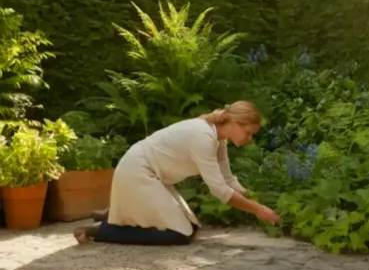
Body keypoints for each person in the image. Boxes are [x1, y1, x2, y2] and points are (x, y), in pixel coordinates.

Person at [73, 101, 280, 245]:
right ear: (235, 123)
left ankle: (114, 212)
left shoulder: (218, 138)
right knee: (178, 234)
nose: (249, 138)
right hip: (137, 170)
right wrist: (256, 209)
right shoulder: (203, 137)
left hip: (152, 176)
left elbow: (227, 180)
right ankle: (100, 230)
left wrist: (253, 196)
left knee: (191, 227)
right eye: (248, 133)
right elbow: (219, 191)